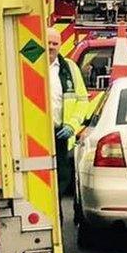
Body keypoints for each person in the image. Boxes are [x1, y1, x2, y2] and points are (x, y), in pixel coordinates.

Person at [47, 27, 89, 197]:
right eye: (47, 42)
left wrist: (72, 125)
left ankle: (58, 219)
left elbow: (82, 100)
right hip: (34, 134)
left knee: (61, 180)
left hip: (60, 135)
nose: (50, 46)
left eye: (54, 43)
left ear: (60, 45)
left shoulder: (69, 68)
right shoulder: (30, 64)